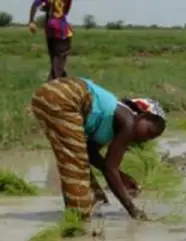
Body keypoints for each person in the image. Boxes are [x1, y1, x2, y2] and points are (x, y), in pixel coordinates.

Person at [31, 77, 167, 221]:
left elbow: (90, 154)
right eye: (149, 132)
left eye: (149, 139)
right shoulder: (128, 122)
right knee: (76, 163)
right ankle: (79, 215)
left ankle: (88, 203)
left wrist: (120, 175)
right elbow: (110, 168)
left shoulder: (110, 125)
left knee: (75, 158)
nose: (143, 139)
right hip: (66, 95)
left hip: (44, 95)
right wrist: (132, 209)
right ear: (143, 115)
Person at [28, 0, 73, 81]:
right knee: (57, 66)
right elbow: (65, 12)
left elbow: (35, 4)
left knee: (56, 65)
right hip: (61, 32)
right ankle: (53, 87)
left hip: (51, 32)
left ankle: (58, 86)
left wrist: (31, 21)